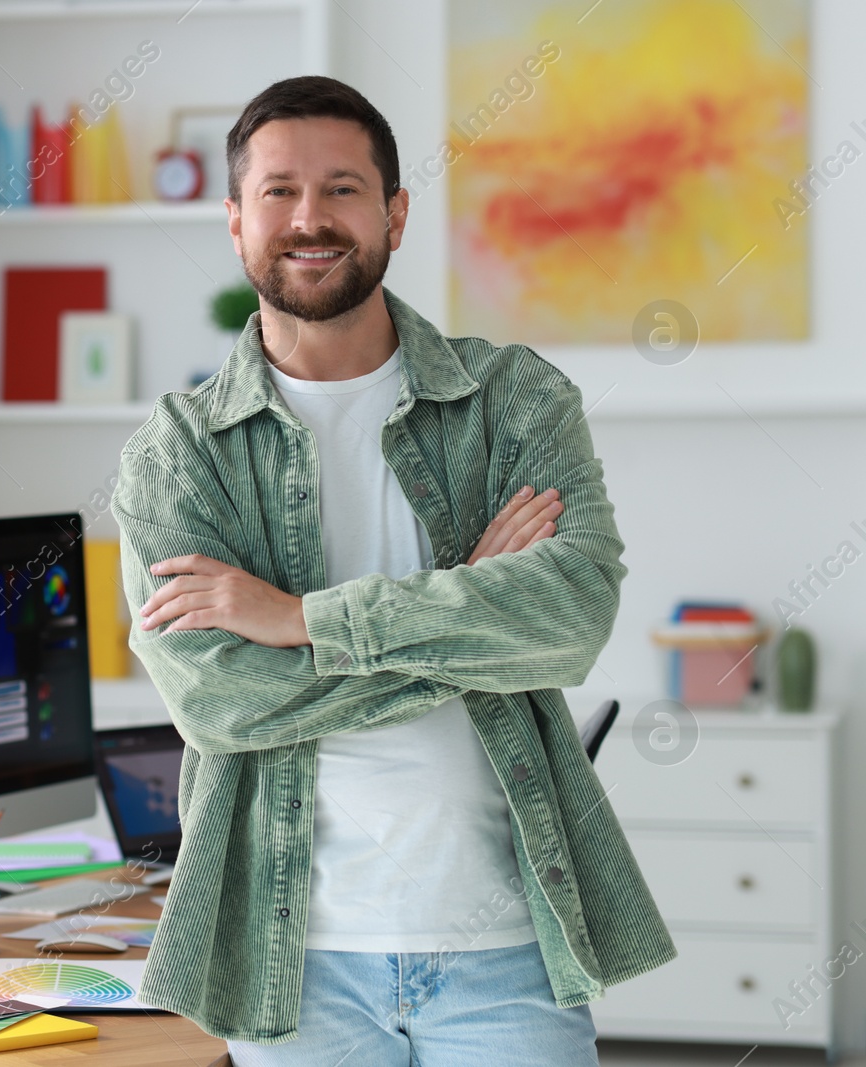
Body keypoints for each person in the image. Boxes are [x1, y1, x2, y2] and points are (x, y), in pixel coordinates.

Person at [111, 76, 675, 1066]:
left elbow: (572, 619)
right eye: (279, 192)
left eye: (342, 188)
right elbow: (220, 703)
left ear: (394, 213)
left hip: (505, 945)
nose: (309, 218)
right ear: (236, 220)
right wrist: (473, 622)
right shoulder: (178, 450)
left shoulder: (514, 399)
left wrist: (296, 619)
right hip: (295, 963)